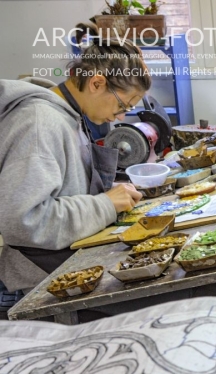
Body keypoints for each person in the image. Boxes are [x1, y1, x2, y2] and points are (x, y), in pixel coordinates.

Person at [0, 23, 148, 290]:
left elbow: (62, 191)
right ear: (96, 83)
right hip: (38, 282)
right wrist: (104, 204)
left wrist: (108, 191)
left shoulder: (69, 116)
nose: (121, 116)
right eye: (122, 105)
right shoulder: (38, 122)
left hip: (65, 265)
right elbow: (23, 221)